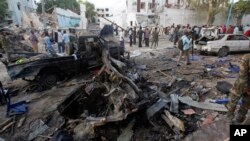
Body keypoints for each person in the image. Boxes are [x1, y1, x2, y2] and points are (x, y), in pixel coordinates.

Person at [227, 54, 250, 124]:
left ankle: (229, 121)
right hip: (246, 85)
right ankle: (239, 119)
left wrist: (247, 88)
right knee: (245, 104)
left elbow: (242, 75)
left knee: (232, 102)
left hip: (240, 85)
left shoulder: (246, 57)